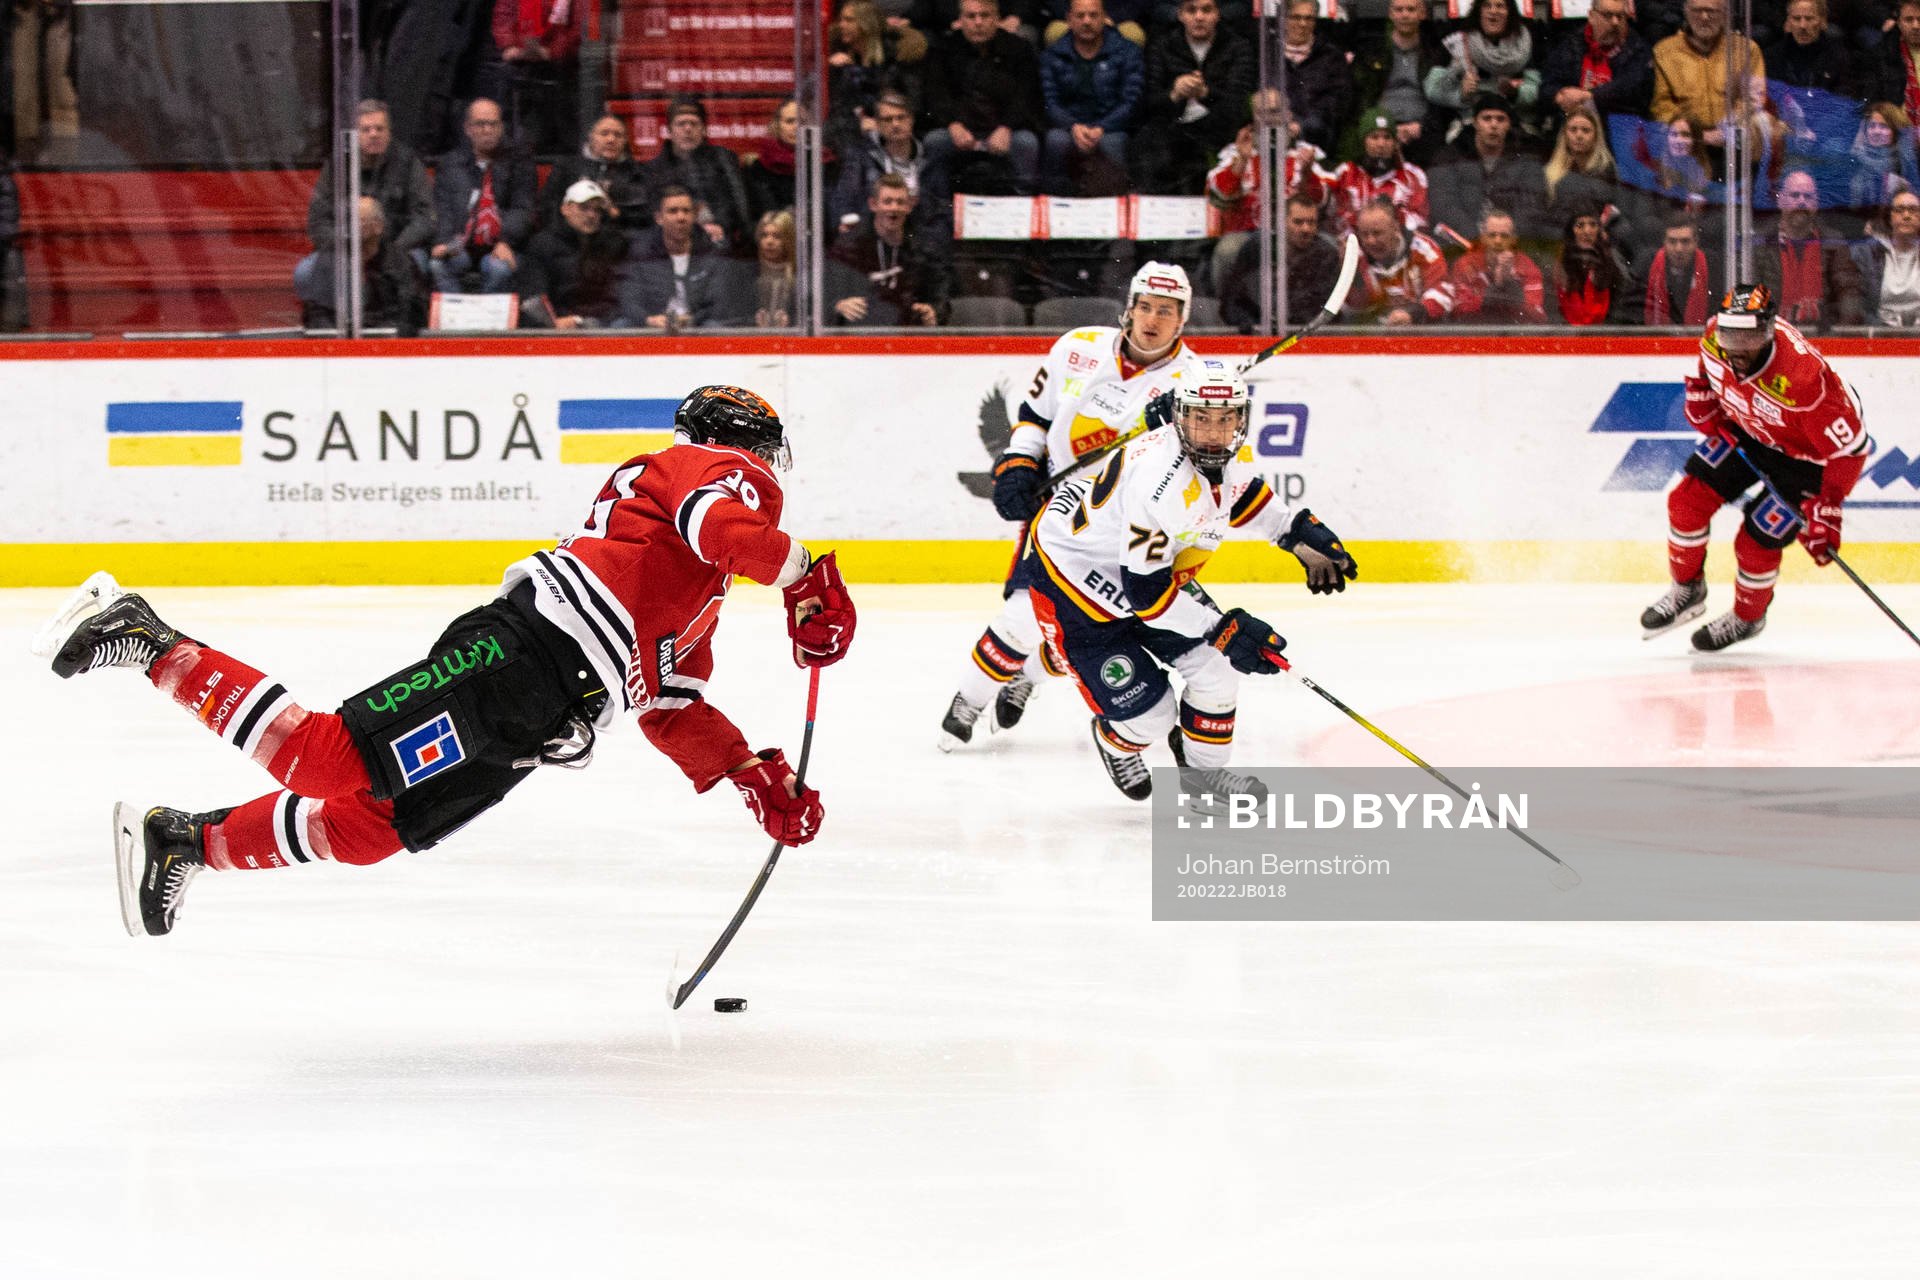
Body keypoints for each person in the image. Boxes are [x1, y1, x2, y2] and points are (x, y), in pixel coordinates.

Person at [35, 386, 858, 938]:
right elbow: (727, 527)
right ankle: (146, 639)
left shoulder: (692, 594)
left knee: (371, 827)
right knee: (322, 758)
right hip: (524, 654)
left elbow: (669, 704)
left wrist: (749, 771)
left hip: (545, 714)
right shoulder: (714, 472)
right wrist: (803, 574)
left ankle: (187, 842)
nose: (764, 481)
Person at [1022, 360, 1357, 802]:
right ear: (1181, 417)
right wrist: (1222, 628)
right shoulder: (1159, 482)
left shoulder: (1223, 455)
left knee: (1217, 671)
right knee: (1152, 717)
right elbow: (1146, 596)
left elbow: (1246, 497)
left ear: (1242, 418)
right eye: (1201, 418)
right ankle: (1112, 737)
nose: (1214, 432)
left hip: (1141, 574)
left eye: (1225, 418)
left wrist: (1296, 533)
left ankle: (1203, 783)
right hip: (1075, 590)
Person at [937, 263, 1207, 750]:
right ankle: (970, 700)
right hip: (1064, 508)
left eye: (1166, 311)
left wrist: (1180, 426)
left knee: (1101, 626)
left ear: (1182, 320)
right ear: (1129, 307)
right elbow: (1034, 416)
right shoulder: (1079, 346)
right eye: (1145, 306)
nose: (1152, 319)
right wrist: (1019, 462)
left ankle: (1028, 678)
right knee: (1024, 616)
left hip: (1132, 523)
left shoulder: (1192, 381)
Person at [1639, 284, 1869, 651]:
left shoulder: (1804, 378)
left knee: (1756, 540)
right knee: (1686, 502)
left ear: (1769, 329)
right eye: (1731, 335)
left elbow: (1851, 450)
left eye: (1750, 338)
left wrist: (1829, 506)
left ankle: (1747, 619)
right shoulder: (1715, 337)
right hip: (1751, 432)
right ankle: (1687, 590)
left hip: (1809, 462)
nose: (1738, 348)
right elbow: (1709, 370)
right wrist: (1703, 394)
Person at [295, 100, 434, 306]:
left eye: (379, 128)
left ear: (389, 132)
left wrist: (393, 249)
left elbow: (425, 218)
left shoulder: (408, 163)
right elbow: (318, 222)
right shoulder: (337, 166)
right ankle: (336, 327)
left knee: (419, 265)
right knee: (304, 272)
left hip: (399, 247)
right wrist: (347, 247)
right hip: (346, 250)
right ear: (355, 134)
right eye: (366, 129)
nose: (373, 134)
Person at [920, 0, 1046, 196]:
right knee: (934, 141)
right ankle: (936, 208)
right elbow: (935, 93)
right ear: (960, 20)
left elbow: (1026, 95)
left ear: (997, 19)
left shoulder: (1019, 49)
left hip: (1004, 129)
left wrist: (1006, 127)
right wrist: (952, 123)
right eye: (971, 16)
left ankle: (1024, 206)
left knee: (1026, 143)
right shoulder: (942, 49)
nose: (978, 22)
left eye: (985, 16)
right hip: (959, 129)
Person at [1131, 0, 1254, 195]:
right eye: (1191, 10)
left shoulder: (1238, 47)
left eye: (1206, 10)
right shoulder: (1162, 46)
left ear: (1217, 14)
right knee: (1147, 142)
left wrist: (1205, 93)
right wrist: (1174, 93)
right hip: (1172, 126)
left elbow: (1237, 102)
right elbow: (1148, 101)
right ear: (1180, 15)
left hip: (1217, 128)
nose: (1199, 17)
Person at [428, 98, 539, 295]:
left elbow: (524, 208)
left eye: (493, 124)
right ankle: (458, 321)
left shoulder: (520, 161)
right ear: (468, 128)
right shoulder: (449, 164)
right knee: (438, 265)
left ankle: (486, 322)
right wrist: (443, 241)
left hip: (503, 243)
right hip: (459, 243)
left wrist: (506, 241)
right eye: (480, 124)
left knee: (499, 269)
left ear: (501, 127)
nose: (487, 130)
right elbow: (442, 208)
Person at [1651, 0, 1775, 171]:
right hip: (1688, 136)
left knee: (1760, 124)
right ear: (1686, 12)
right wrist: (1695, 133)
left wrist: (1726, 129)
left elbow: (1754, 99)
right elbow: (1662, 105)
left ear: (1725, 14)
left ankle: (1745, 189)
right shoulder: (1665, 51)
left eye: (1712, 11)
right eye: (1697, 11)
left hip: (1732, 134)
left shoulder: (1747, 49)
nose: (1704, 17)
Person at [1038, 0, 1145, 194]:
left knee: (1112, 143)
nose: (1087, 21)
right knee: (1056, 140)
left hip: (1111, 127)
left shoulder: (1127, 51)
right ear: (1069, 20)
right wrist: (1073, 126)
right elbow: (1049, 101)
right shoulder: (1052, 55)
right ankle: (1054, 206)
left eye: (1093, 15)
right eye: (1080, 16)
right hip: (1070, 126)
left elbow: (1131, 101)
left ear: (1104, 18)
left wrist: (1103, 127)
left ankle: (1115, 207)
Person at [1426, 93, 1549, 248]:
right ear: (1475, 122)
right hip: (1462, 242)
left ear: (1509, 124)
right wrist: (1477, 239)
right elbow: (1443, 205)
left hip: (1511, 244)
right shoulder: (1449, 156)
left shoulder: (1526, 159)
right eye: (1487, 118)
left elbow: (1532, 207)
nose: (1494, 125)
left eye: (1500, 119)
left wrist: (1503, 239)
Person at [826, 172, 950, 325]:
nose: (894, 208)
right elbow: (827, 292)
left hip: (908, 334)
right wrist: (838, 305)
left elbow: (940, 293)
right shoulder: (849, 244)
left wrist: (934, 311)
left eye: (900, 202)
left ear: (909, 206)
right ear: (873, 204)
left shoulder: (926, 246)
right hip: (860, 334)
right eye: (887, 201)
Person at [1753, 167, 1865, 329]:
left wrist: (1842, 331)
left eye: (1808, 196)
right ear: (1780, 200)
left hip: (1823, 334)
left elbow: (1849, 290)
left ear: (1816, 203)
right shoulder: (1761, 241)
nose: (1801, 202)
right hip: (1773, 334)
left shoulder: (1833, 241)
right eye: (1795, 195)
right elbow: (1752, 293)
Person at [639, 96, 754, 253]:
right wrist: (697, 229)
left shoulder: (724, 160)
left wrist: (721, 225)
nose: (688, 129)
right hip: (672, 242)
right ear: (669, 131)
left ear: (704, 129)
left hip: (721, 238)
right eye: (681, 124)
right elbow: (652, 213)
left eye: (694, 123)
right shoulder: (654, 169)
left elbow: (738, 204)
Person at [1345, 0, 1450, 165]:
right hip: (1379, 128)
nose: (1405, 14)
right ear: (1390, 14)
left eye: (1411, 9)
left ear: (1422, 14)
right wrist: (1381, 126)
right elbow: (1360, 96)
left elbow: (1443, 99)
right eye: (1399, 10)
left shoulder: (1436, 53)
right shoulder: (1372, 52)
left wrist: (1423, 126)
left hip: (1423, 130)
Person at [296, 198, 424, 334]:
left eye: (360, 220)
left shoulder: (400, 262)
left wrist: (379, 336)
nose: (352, 226)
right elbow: (315, 312)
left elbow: (411, 312)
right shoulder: (329, 259)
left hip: (385, 346)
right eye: (348, 221)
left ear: (378, 226)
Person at [1220, 192, 1344, 331]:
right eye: (1298, 222)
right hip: (1255, 337)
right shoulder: (1257, 248)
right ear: (1282, 222)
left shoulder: (1325, 254)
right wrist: (1250, 327)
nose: (1306, 229)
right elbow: (1231, 301)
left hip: (1306, 338)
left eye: (1311, 222)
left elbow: (1327, 308)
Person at [518, 179, 630, 328]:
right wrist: (554, 321)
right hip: (559, 326)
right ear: (565, 209)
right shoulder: (543, 245)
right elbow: (534, 296)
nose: (591, 215)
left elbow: (619, 294)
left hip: (604, 323)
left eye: (597, 210)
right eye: (584, 208)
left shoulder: (610, 244)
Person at [1425, 0, 1542, 140]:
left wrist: (1516, 93)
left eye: (1500, 6)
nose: (1493, 11)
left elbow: (1538, 89)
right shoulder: (1458, 41)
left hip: (1515, 121)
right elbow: (1432, 88)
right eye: (1487, 6)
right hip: (1469, 121)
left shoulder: (1524, 44)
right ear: (1478, 12)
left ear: (1510, 13)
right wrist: (1460, 94)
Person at [620, 185, 731, 329]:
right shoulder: (642, 255)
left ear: (694, 216)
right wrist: (648, 319)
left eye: (686, 211)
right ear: (659, 218)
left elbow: (718, 303)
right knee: (621, 325)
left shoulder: (709, 253)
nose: (681, 217)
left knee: (714, 326)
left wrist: (691, 319)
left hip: (696, 327)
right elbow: (629, 299)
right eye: (673, 211)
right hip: (652, 327)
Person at [1540, 0, 1655, 131]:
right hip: (1574, 124)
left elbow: (1631, 89)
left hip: (1619, 128)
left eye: (1620, 16)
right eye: (1607, 15)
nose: (1615, 22)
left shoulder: (1638, 48)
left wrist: (1589, 97)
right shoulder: (1571, 44)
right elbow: (1547, 87)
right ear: (1591, 16)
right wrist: (1559, 96)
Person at [832, 90, 932, 231]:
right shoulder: (862, 156)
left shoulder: (929, 155)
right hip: (873, 232)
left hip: (921, 233)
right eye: (888, 119)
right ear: (878, 125)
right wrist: (844, 222)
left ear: (912, 120)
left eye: (901, 117)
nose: (896, 124)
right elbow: (845, 198)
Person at [1345, 199, 1455, 324]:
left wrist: (1412, 314)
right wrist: (1353, 277)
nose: (1370, 241)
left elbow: (1443, 294)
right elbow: (1352, 308)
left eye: (1377, 233)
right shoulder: (1353, 257)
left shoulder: (1424, 250)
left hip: (1423, 332)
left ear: (1395, 228)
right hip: (1373, 335)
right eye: (1364, 234)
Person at [1324, 113, 1431, 238]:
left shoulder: (1412, 176)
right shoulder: (1345, 173)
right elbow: (1332, 218)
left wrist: (1394, 214)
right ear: (1363, 141)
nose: (1381, 144)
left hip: (1396, 248)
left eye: (1387, 137)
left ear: (1395, 143)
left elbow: (1421, 222)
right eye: (1374, 137)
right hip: (1351, 247)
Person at [539, 114, 650, 234]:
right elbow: (548, 207)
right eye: (604, 133)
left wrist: (616, 212)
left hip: (619, 237)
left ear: (625, 141)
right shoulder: (566, 167)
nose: (611, 140)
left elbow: (645, 217)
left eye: (618, 135)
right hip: (569, 236)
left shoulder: (637, 172)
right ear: (591, 136)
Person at [1278, 0, 1353, 154]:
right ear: (1283, 19)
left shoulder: (1332, 57)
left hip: (1317, 141)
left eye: (1309, 18)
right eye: (1296, 17)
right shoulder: (1270, 54)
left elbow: (1337, 102)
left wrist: (1301, 126)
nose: (1303, 24)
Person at [1451, 208, 1548, 322]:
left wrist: (1510, 283)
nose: (1498, 241)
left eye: (1504, 236)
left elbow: (1537, 317)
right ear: (1483, 238)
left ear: (1513, 240)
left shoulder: (1528, 267)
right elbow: (1460, 313)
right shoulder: (1466, 264)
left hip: (1516, 335)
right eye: (1492, 235)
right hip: (1477, 335)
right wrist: (1496, 286)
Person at [1852, 183, 1920, 323]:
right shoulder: (1867, 253)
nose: (1906, 215)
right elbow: (1861, 306)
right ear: (1889, 216)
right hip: (1880, 335)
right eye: (1900, 210)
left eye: (1913, 210)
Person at [1641, 212, 1718, 325]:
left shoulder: (1711, 265)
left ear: (1696, 242)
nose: (1679, 249)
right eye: (1672, 242)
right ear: (1664, 242)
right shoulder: (1647, 264)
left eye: (1685, 241)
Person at [1552, 206, 1625, 323]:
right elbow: (1554, 309)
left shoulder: (1611, 262)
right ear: (1571, 232)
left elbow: (1620, 305)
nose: (1587, 231)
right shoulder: (1560, 265)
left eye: (1592, 225)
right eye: (1580, 225)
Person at [1846, 102, 1920, 214]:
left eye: (1884, 126)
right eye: (1872, 126)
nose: (1876, 131)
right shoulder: (1854, 159)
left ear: (1896, 132)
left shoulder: (1905, 164)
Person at [743, 100, 802, 222]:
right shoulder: (759, 168)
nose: (796, 127)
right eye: (790, 121)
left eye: (802, 122)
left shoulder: (821, 164)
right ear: (777, 125)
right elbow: (764, 211)